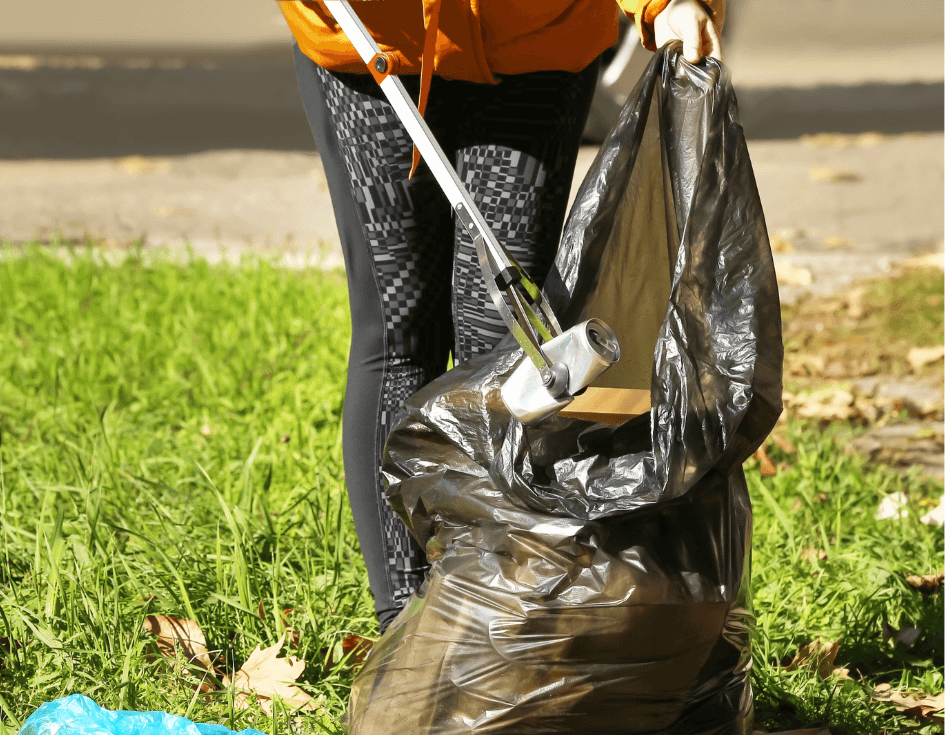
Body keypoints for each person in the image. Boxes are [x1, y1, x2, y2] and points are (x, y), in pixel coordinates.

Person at [278, 0, 723, 633]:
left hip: (533, 35)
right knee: (399, 329)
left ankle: (491, 621)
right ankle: (402, 625)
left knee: (502, 342)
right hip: (372, 37)